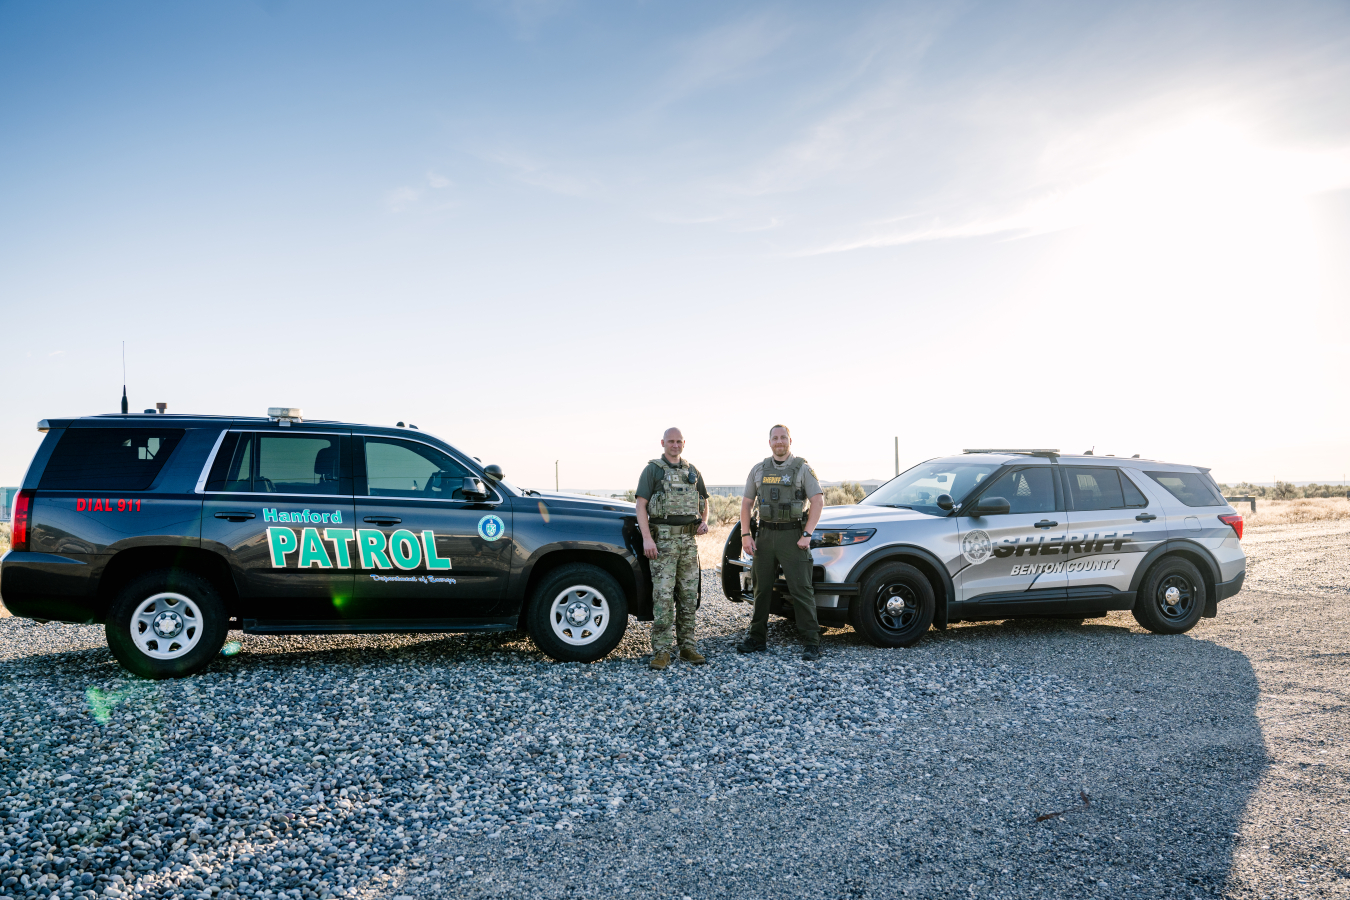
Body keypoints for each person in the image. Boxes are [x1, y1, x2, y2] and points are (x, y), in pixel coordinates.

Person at [735, 424, 825, 661]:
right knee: (761, 588)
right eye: (775, 438)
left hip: (792, 537)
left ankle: (811, 641)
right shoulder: (758, 469)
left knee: (801, 589)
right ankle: (756, 638)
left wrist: (807, 534)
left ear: (790, 440)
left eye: (783, 437)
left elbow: (817, 501)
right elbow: (746, 504)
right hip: (764, 535)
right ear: (769, 442)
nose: (779, 442)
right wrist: (746, 535)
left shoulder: (803, 469)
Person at [635, 427, 710, 670]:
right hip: (663, 543)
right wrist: (647, 538)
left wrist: (704, 521)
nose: (675, 445)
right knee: (663, 598)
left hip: (688, 543)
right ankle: (662, 651)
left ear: (684, 443)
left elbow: (704, 500)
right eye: (671, 441)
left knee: (688, 597)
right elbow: (640, 506)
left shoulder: (692, 470)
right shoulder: (653, 470)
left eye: (678, 441)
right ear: (663, 443)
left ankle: (687, 647)